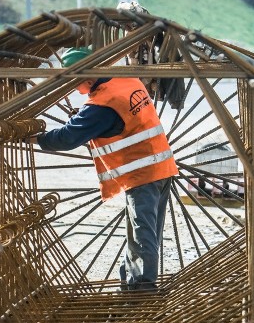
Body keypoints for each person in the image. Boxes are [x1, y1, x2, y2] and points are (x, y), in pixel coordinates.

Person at [34, 47, 177, 290]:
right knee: (143, 233)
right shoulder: (126, 80)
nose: (73, 88)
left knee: (142, 236)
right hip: (162, 168)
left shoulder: (102, 105)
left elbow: (68, 138)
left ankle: (143, 290)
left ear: (86, 77)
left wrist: (35, 139)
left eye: (74, 81)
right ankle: (132, 283)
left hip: (141, 175)